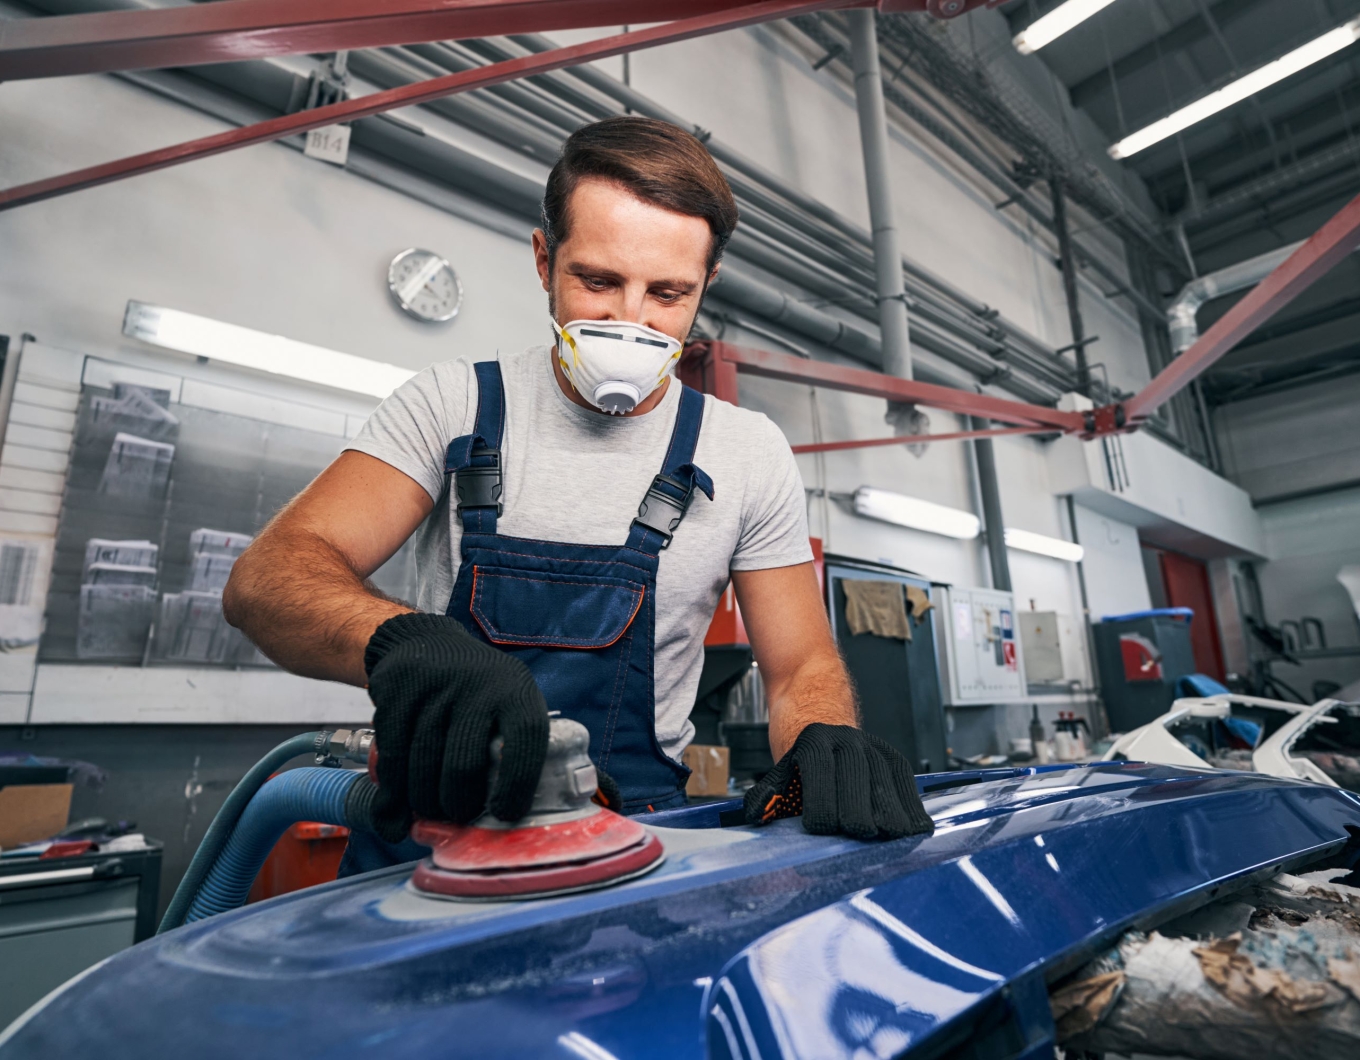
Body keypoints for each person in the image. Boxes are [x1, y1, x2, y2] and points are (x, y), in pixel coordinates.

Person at [223, 116, 933, 863]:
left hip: (642, 843)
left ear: (706, 286)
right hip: (441, 834)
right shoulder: (452, 405)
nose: (630, 320)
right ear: (543, 259)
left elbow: (800, 668)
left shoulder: (747, 452)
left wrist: (825, 734)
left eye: (668, 293)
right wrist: (404, 643)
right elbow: (267, 579)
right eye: (597, 280)